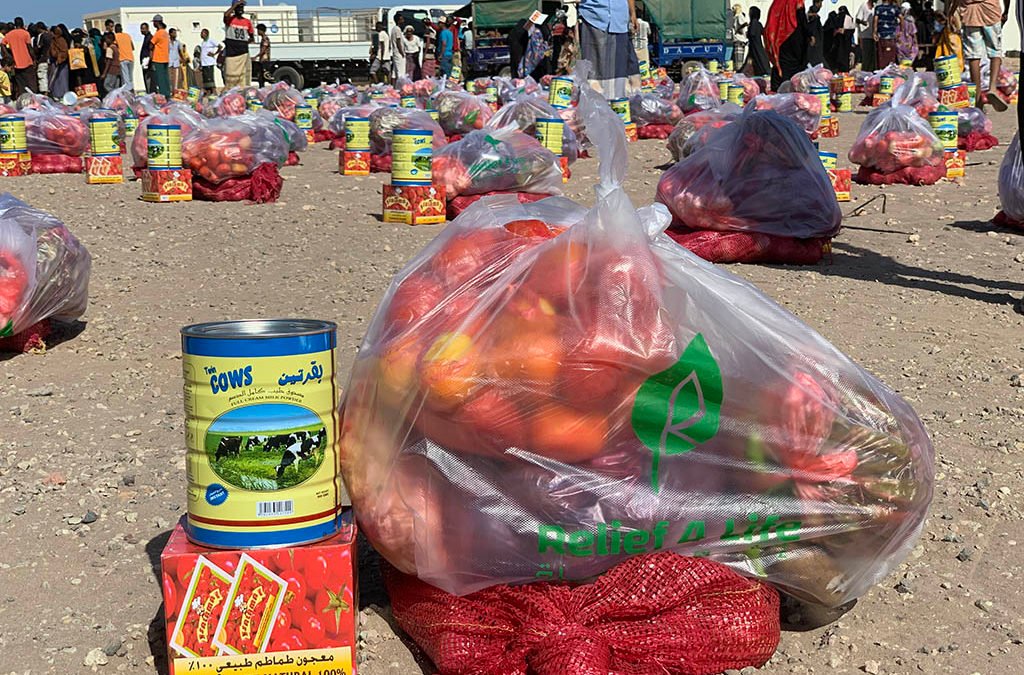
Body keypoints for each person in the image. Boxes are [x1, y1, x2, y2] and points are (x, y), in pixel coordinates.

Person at [948, 0, 1010, 111]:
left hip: (970, 14)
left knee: (973, 56)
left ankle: (978, 98)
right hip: (991, 11)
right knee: (995, 51)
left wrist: (951, 12)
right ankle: (992, 88)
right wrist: (1006, 10)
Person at [578, 0, 640, 98]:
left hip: (619, 19)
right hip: (593, 17)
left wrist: (633, 14)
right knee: (593, 67)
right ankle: (595, 101)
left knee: (621, 66)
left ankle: (620, 100)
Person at [766, 0, 809, 91]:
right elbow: (802, 18)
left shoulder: (777, 2)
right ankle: (795, 88)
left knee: (782, 65)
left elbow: (771, 21)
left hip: (780, 40)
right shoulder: (797, 1)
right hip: (796, 39)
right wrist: (809, 34)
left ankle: (779, 89)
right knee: (795, 66)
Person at [223, 0, 255, 88]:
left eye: (242, 7)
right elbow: (226, 15)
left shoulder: (247, 22)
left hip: (243, 52)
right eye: (238, 7)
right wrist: (235, 5)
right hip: (231, 52)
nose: (240, 9)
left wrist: (244, 43)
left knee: (244, 76)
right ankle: (231, 91)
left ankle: (243, 91)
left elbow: (252, 37)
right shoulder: (230, 20)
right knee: (230, 76)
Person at [1, 17, 35, 98]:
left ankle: (22, 99)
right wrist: (34, 59)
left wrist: (7, 55)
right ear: (22, 23)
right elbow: (30, 48)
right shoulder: (26, 33)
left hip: (16, 63)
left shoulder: (9, 34)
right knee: (31, 83)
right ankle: (33, 99)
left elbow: (2, 44)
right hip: (27, 62)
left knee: (20, 84)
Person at [519, 11, 550, 78]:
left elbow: (535, 46)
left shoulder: (536, 32)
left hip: (536, 59)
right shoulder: (544, 30)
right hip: (545, 57)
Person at [873, 0, 900, 69]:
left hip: (881, 35)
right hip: (892, 35)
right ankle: (891, 70)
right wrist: (901, 31)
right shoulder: (895, 8)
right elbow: (901, 18)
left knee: (882, 55)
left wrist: (874, 32)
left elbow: (875, 20)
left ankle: (882, 70)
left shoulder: (878, 8)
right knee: (891, 55)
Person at [745, 5, 771, 75]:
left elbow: (752, 33)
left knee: (759, 60)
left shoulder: (753, 23)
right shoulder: (758, 24)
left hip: (755, 46)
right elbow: (763, 32)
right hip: (757, 45)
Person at [150, 15, 170, 97]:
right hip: (165, 58)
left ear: (157, 22)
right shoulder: (165, 33)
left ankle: (163, 95)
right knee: (165, 78)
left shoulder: (158, 33)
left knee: (160, 78)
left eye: (154, 22)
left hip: (158, 58)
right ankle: (167, 93)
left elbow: (151, 45)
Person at [47, 25, 69, 98]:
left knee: (62, 80)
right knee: (55, 80)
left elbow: (64, 51)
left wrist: (59, 58)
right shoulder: (53, 40)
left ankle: (63, 96)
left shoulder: (61, 40)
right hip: (55, 61)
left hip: (61, 62)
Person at [198, 28, 221, 94]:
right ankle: (208, 92)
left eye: (202, 33)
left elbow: (220, 46)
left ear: (206, 34)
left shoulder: (211, 41)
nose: (201, 34)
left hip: (209, 62)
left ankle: (214, 91)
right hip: (204, 63)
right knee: (205, 78)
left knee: (210, 78)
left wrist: (214, 54)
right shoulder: (203, 42)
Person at [856, 0, 876, 70]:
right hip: (865, 35)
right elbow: (857, 19)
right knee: (866, 55)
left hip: (873, 35)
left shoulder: (875, 7)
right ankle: (865, 71)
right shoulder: (864, 5)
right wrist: (863, 22)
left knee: (873, 56)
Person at [32, 22, 50, 94]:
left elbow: (39, 47)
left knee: (42, 76)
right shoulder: (50, 35)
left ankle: (44, 92)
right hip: (50, 59)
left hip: (43, 58)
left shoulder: (42, 36)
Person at [115, 24, 134, 90]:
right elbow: (132, 47)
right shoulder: (127, 35)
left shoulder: (115, 36)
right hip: (131, 58)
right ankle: (131, 89)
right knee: (130, 77)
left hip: (122, 58)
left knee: (125, 77)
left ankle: (127, 91)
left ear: (115, 30)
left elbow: (115, 47)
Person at [806, 1, 825, 65]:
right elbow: (812, 26)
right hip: (815, 40)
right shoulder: (814, 15)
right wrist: (812, 36)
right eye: (820, 3)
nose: (821, 5)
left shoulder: (813, 14)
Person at [390, 14, 406, 83]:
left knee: (394, 71)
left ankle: (394, 86)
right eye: (402, 19)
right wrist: (402, 53)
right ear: (398, 21)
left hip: (395, 52)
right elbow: (398, 41)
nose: (403, 21)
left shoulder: (394, 29)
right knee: (401, 71)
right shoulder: (397, 29)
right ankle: (401, 85)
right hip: (399, 52)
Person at [139, 22, 153, 92]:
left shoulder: (149, 37)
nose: (142, 30)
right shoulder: (146, 37)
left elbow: (151, 49)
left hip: (147, 62)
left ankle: (149, 92)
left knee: (148, 78)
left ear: (147, 29)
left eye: (143, 28)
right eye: (141, 29)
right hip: (145, 61)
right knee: (146, 78)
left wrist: (149, 60)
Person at [255, 23, 270, 87]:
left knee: (262, 77)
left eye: (258, 30)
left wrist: (256, 56)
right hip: (262, 60)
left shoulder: (265, 39)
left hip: (264, 60)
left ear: (261, 30)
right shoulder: (263, 38)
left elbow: (263, 49)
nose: (257, 32)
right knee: (261, 77)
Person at [168, 28, 182, 92]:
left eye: (175, 33)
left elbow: (180, 51)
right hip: (169, 61)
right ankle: (170, 90)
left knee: (176, 78)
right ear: (170, 34)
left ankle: (175, 91)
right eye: (173, 33)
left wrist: (182, 59)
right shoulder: (167, 42)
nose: (175, 34)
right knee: (169, 78)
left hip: (176, 62)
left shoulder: (178, 42)